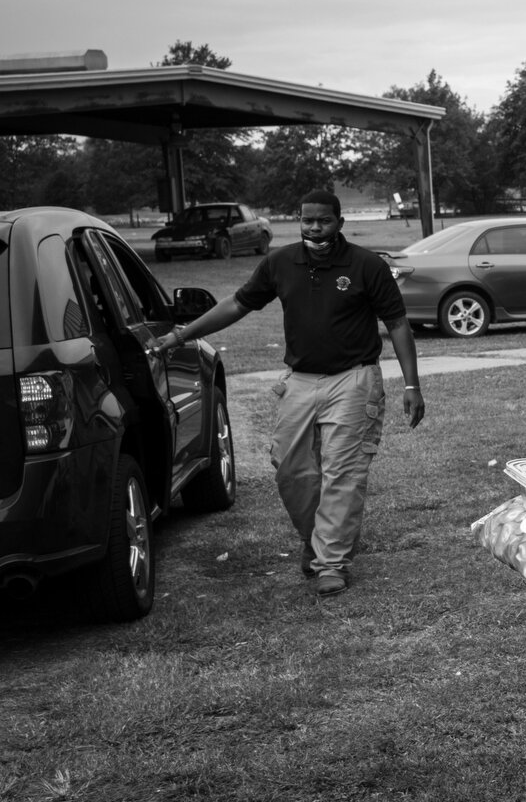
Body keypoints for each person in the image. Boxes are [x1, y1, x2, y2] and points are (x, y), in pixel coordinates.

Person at [150, 190, 424, 596]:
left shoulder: (365, 265)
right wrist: (181, 335)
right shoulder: (281, 262)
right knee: (290, 468)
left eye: (324, 221)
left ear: (339, 223)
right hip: (299, 380)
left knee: (342, 473)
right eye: (307, 220)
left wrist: (412, 384)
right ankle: (314, 540)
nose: (315, 227)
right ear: (299, 220)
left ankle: (331, 562)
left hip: (354, 379)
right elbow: (238, 305)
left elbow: (398, 324)